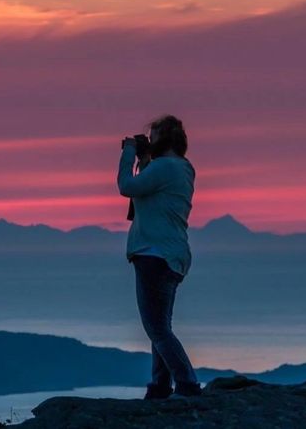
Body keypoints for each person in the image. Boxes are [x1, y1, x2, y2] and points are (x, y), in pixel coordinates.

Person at [117, 114, 201, 399]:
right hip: (171, 254)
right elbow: (149, 188)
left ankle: (187, 385)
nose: (148, 141)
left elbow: (127, 186)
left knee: (156, 328)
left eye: (152, 137)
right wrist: (145, 160)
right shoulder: (182, 168)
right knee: (161, 327)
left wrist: (129, 154)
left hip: (154, 254)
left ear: (162, 140)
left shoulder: (166, 167)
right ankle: (160, 386)